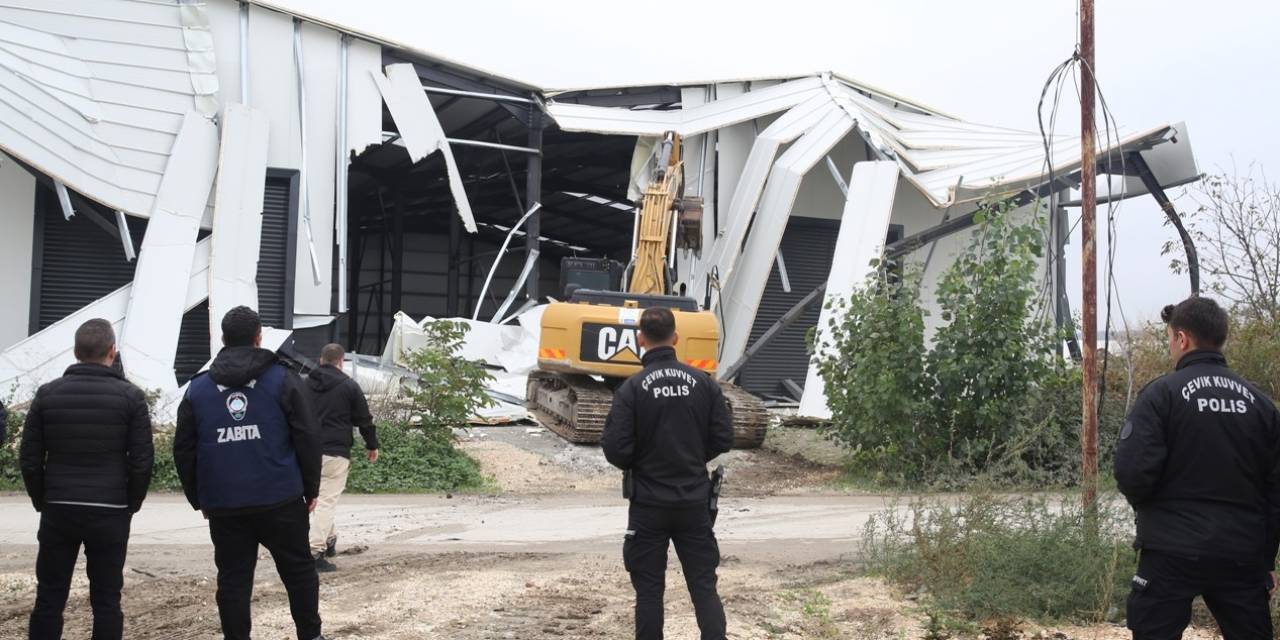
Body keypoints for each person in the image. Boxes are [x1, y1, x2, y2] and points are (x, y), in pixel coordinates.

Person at [1115, 296, 1280, 640]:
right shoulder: (1262, 406)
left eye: (1169, 339)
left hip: (1170, 552)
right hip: (1241, 553)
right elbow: (1275, 492)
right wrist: (1266, 561)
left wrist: (1156, 515)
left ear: (1182, 339)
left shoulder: (1161, 395)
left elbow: (1132, 473)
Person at [174, 306, 325, 640]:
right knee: (299, 571)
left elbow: (183, 449)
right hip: (281, 498)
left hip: (226, 504)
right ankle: (311, 635)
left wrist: (200, 498)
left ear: (224, 339)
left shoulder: (198, 390)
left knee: (233, 580)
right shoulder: (283, 378)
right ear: (259, 338)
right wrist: (310, 488)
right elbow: (308, 435)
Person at [602, 306, 735, 640]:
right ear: (675, 338)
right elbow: (723, 437)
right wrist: (691, 457)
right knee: (704, 587)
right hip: (693, 501)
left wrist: (644, 462)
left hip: (648, 503)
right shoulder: (703, 384)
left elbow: (616, 449)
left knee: (648, 590)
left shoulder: (632, 389)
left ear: (640, 339)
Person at [19, 318, 154, 640]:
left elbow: (29, 458)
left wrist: (43, 499)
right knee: (107, 599)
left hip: (59, 506)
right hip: (110, 508)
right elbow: (142, 461)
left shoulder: (48, 394)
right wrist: (130, 503)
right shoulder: (131, 397)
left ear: (76, 352)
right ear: (112, 351)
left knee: (49, 596)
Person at [305, 342, 378, 572]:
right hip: (335, 452)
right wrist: (372, 445)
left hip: (306, 451)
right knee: (326, 500)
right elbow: (364, 419)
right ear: (340, 362)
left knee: (318, 498)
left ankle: (330, 539)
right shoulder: (349, 386)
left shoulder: (304, 385)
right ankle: (315, 552)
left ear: (320, 360)